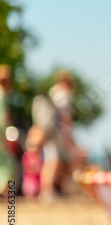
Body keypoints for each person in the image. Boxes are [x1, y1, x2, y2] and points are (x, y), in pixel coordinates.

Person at [33, 70, 77, 202]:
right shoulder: (63, 95)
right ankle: (48, 192)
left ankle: (48, 191)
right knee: (54, 162)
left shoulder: (52, 92)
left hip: (48, 133)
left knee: (51, 161)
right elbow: (65, 120)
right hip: (57, 135)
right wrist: (69, 139)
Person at [0, 65, 15, 196]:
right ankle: (5, 191)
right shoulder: (2, 94)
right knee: (6, 162)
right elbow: (3, 118)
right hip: (1, 131)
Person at [21, 125, 44, 198]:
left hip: (36, 177)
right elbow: (26, 166)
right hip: (30, 178)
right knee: (30, 190)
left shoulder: (39, 155)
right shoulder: (27, 155)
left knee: (36, 189)